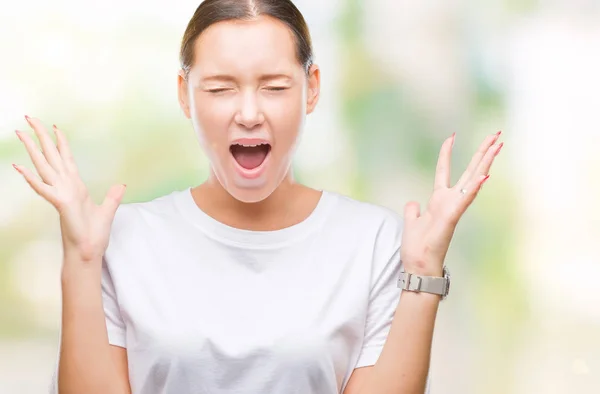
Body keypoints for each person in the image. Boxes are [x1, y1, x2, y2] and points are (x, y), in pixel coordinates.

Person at [13, 0, 502, 393]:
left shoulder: (374, 240)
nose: (248, 113)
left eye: (273, 86)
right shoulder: (120, 238)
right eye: (221, 88)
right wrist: (80, 259)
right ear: (185, 95)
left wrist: (424, 273)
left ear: (310, 89)